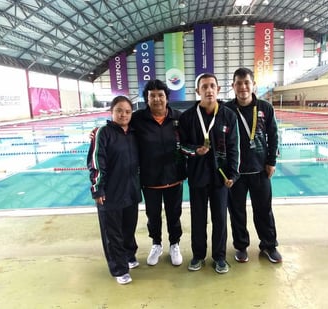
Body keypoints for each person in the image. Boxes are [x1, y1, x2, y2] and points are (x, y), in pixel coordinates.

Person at [179, 73, 240, 274]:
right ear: (197, 91)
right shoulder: (187, 117)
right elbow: (181, 146)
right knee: (198, 217)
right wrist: (194, 150)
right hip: (197, 175)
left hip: (220, 176)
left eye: (212, 86)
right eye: (204, 86)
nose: (208, 90)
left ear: (218, 89)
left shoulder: (228, 115)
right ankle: (198, 255)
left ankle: (220, 257)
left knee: (220, 218)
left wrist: (233, 174)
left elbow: (234, 147)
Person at [225, 68, 282, 264]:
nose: (243, 87)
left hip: (260, 170)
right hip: (236, 173)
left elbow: (274, 135)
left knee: (264, 210)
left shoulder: (265, 108)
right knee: (237, 211)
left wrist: (271, 162)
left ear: (253, 85)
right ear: (233, 86)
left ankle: (269, 245)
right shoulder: (226, 110)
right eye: (239, 83)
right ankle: (241, 246)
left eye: (246, 82)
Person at [131, 79, 187, 267]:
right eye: (152, 95)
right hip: (150, 179)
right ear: (146, 99)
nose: (156, 99)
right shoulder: (138, 119)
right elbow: (119, 128)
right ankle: (156, 244)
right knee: (153, 216)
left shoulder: (178, 118)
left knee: (174, 214)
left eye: (160, 95)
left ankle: (174, 244)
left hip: (174, 176)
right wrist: (99, 131)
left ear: (167, 98)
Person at [87, 96, 141, 285]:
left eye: (127, 111)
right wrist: (97, 189)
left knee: (129, 227)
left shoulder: (134, 133)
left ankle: (128, 255)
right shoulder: (103, 133)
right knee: (113, 233)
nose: (123, 114)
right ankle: (119, 268)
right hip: (110, 192)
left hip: (131, 190)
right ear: (111, 112)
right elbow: (96, 162)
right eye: (119, 110)